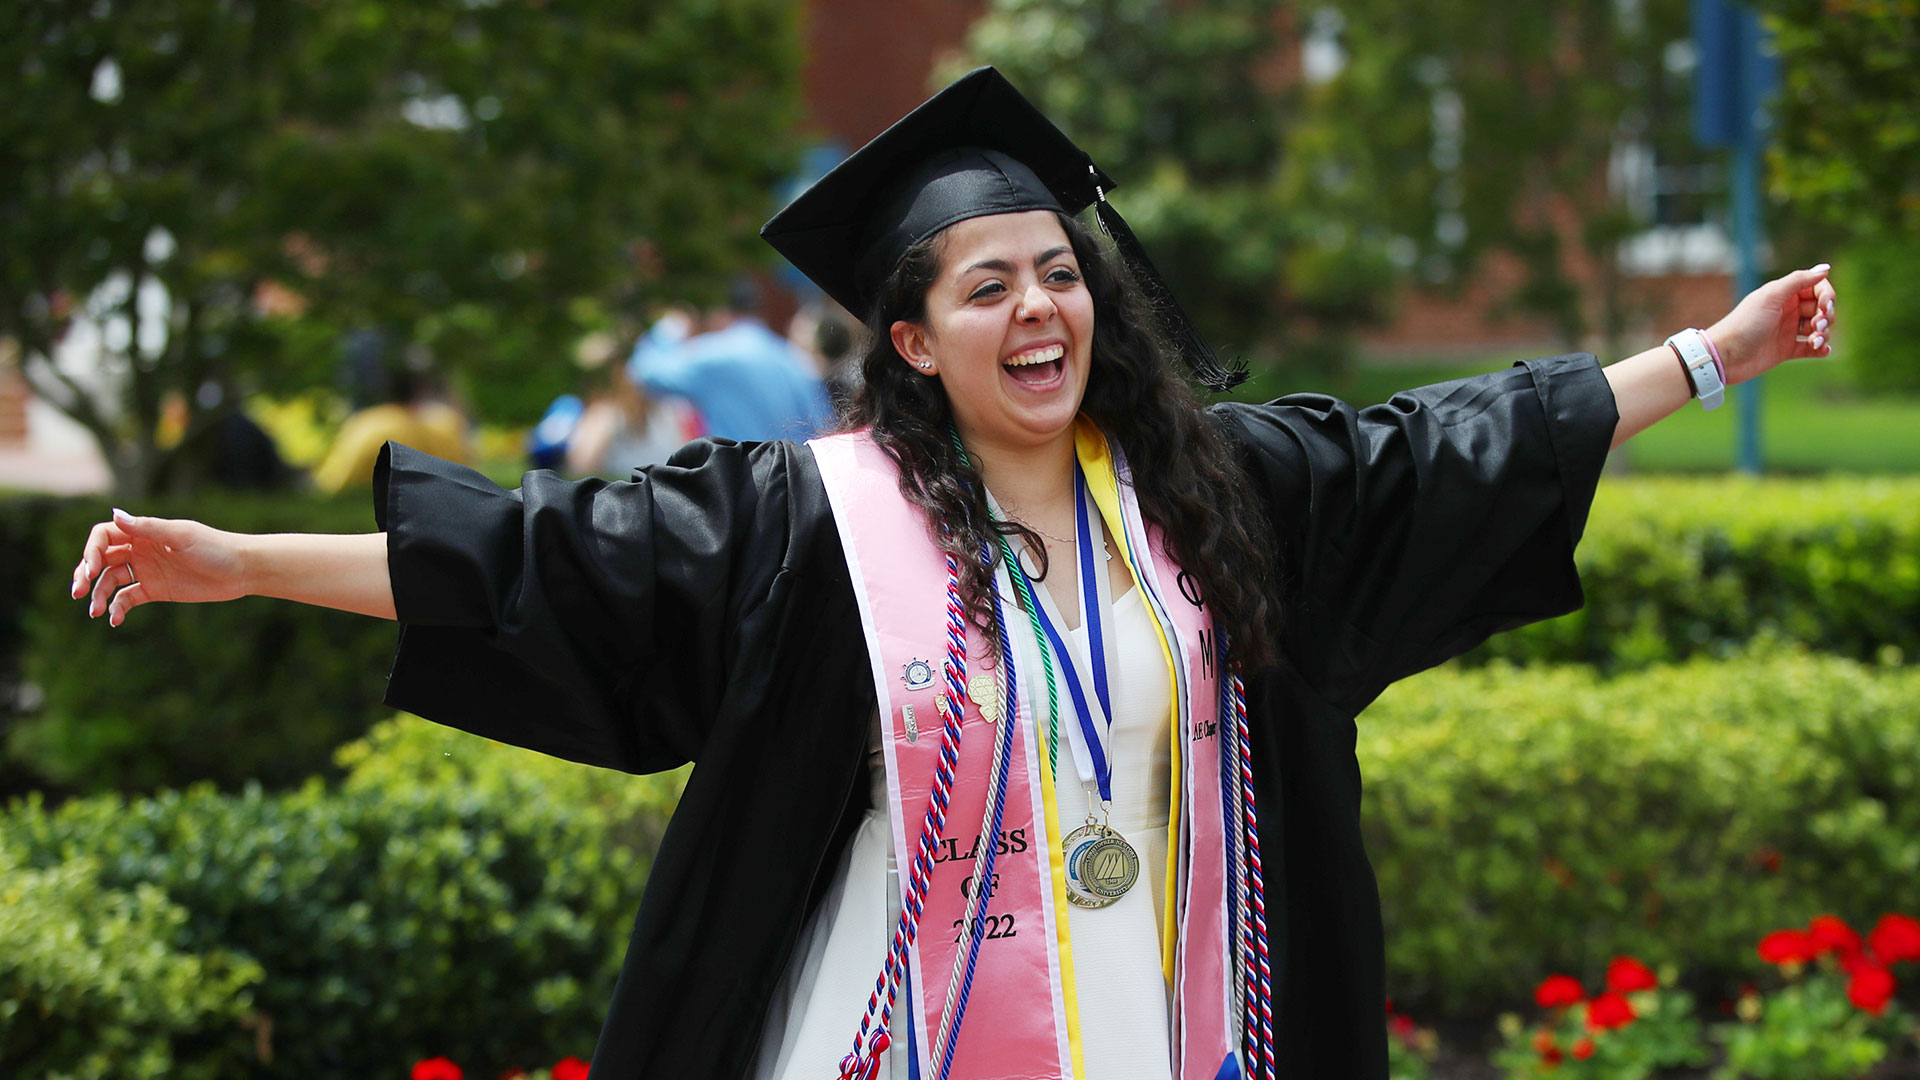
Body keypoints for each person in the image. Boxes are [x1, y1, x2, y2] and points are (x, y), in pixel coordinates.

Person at [70, 68, 1836, 1080]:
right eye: (985, 288)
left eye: (1056, 274)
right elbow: (547, 559)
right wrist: (237, 557)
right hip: (896, 1025)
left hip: (1170, 1021)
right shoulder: (810, 522)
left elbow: (1449, 451)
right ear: (910, 338)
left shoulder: (1219, 494)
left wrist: (1709, 359)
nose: (1039, 310)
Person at [627, 277, 836, 441]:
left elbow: (645, 372)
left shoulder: (713, 354)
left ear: (722, 311)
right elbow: (825, 428)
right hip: (793, 486)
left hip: (737, 486)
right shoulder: (793, 360)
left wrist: (672, 326)